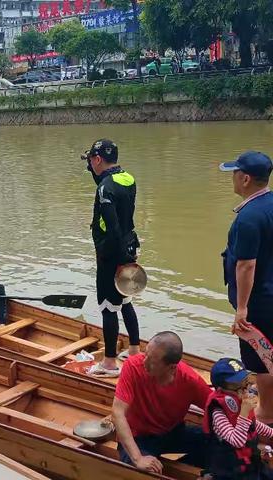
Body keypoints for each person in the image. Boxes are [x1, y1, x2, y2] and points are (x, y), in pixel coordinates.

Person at [220, 151, 273, 424]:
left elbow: (245, 266)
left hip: (259, 300)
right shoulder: (270, 203)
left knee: (259, 355)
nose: (232, 178)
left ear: (245, 178)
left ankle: (266, 412)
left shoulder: (249, 217)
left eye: (234, 173)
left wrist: (242, 308)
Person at [112, 331, 211, 474]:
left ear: (171, 367)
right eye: (145, 355)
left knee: (219, 442)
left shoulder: (190, 380)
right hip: (139, 437)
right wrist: (138, 458)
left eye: (152, 361)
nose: (144, 362)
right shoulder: (133, 366)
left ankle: (183, 469)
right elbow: (117, 413)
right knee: (146, 471)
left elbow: (220, 408)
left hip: (172, 432)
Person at [82, 139, 141, 377]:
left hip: (112, 253)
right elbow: (108, 187)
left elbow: (112, 226)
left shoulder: (106, 187)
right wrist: (128, 258)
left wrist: (116, 260)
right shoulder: (127, 178)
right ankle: (135, 350)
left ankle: (109, 363)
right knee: (125, 299)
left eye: (91, 160)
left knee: (108, 307)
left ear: (97, 159)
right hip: (130, 246)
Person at [202, 357, 273, 480]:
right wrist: (244, 413)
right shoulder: (218, 413)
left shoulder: (240, 402)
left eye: (245, 382)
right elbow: (237, 441)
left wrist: (272, 433)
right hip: (231, 471)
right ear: (221, 388)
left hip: (251, 463)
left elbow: (253, 425)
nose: (244, 388)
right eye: (237, 385)